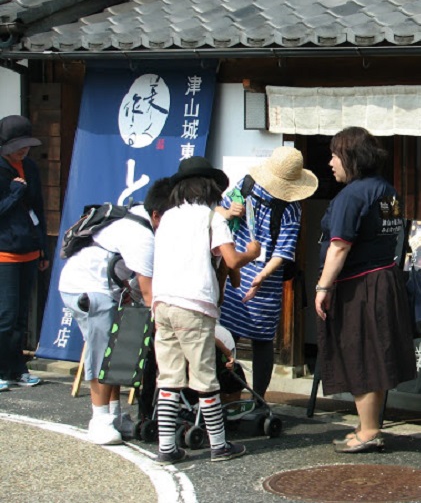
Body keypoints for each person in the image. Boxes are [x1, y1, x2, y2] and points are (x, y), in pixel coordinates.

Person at [151, 156, 260, 465]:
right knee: (204, 377)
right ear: (210, 189)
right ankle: (219, 445)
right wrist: (252, 253)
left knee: (169, 376)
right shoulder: (212, 219)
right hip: (194, 304)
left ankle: (167, 447)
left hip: (163, 302)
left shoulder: (168, 218)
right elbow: (232, 260)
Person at [314, 126, 415, 454]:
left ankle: (370, 430)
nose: (330, 162)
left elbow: (339, 246)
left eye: (335, 155)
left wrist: (322, 286)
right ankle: (368, 424)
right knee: (376, 353)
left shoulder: (352, 195)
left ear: (351, 158)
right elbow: (396, 235)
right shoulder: (387, 190)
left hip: (360, 285)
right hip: (385, 279)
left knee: (360, 353)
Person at [59, 177, 172, 444]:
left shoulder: (137, 217)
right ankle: (98, 420)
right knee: (102, 355)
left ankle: (115, 415)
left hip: (107, 290)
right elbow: (148, 294)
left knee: (118, 352)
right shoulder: (142, 236)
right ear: (156, 214)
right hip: (89, 290)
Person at [217, 147, 318, 400]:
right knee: (258, 341)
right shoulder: (257, 192)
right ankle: (254, 398)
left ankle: (222, 397)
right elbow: (283, 252)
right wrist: (229, 212)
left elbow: (217, 210)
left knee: (228, 337)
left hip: (238, 270)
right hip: (255, 275)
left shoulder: (251, 187)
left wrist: (259, 276)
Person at [0, 115, 49, 392]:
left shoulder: (30, 166)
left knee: (20, 318)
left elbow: (38, 209)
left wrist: (42, 247)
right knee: (5, 317)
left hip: (29, 251)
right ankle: (2, 369)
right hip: (4, 253)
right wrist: (15, 192)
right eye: (18, 147)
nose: (24, 151)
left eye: (27, 146)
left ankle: (17, 369)